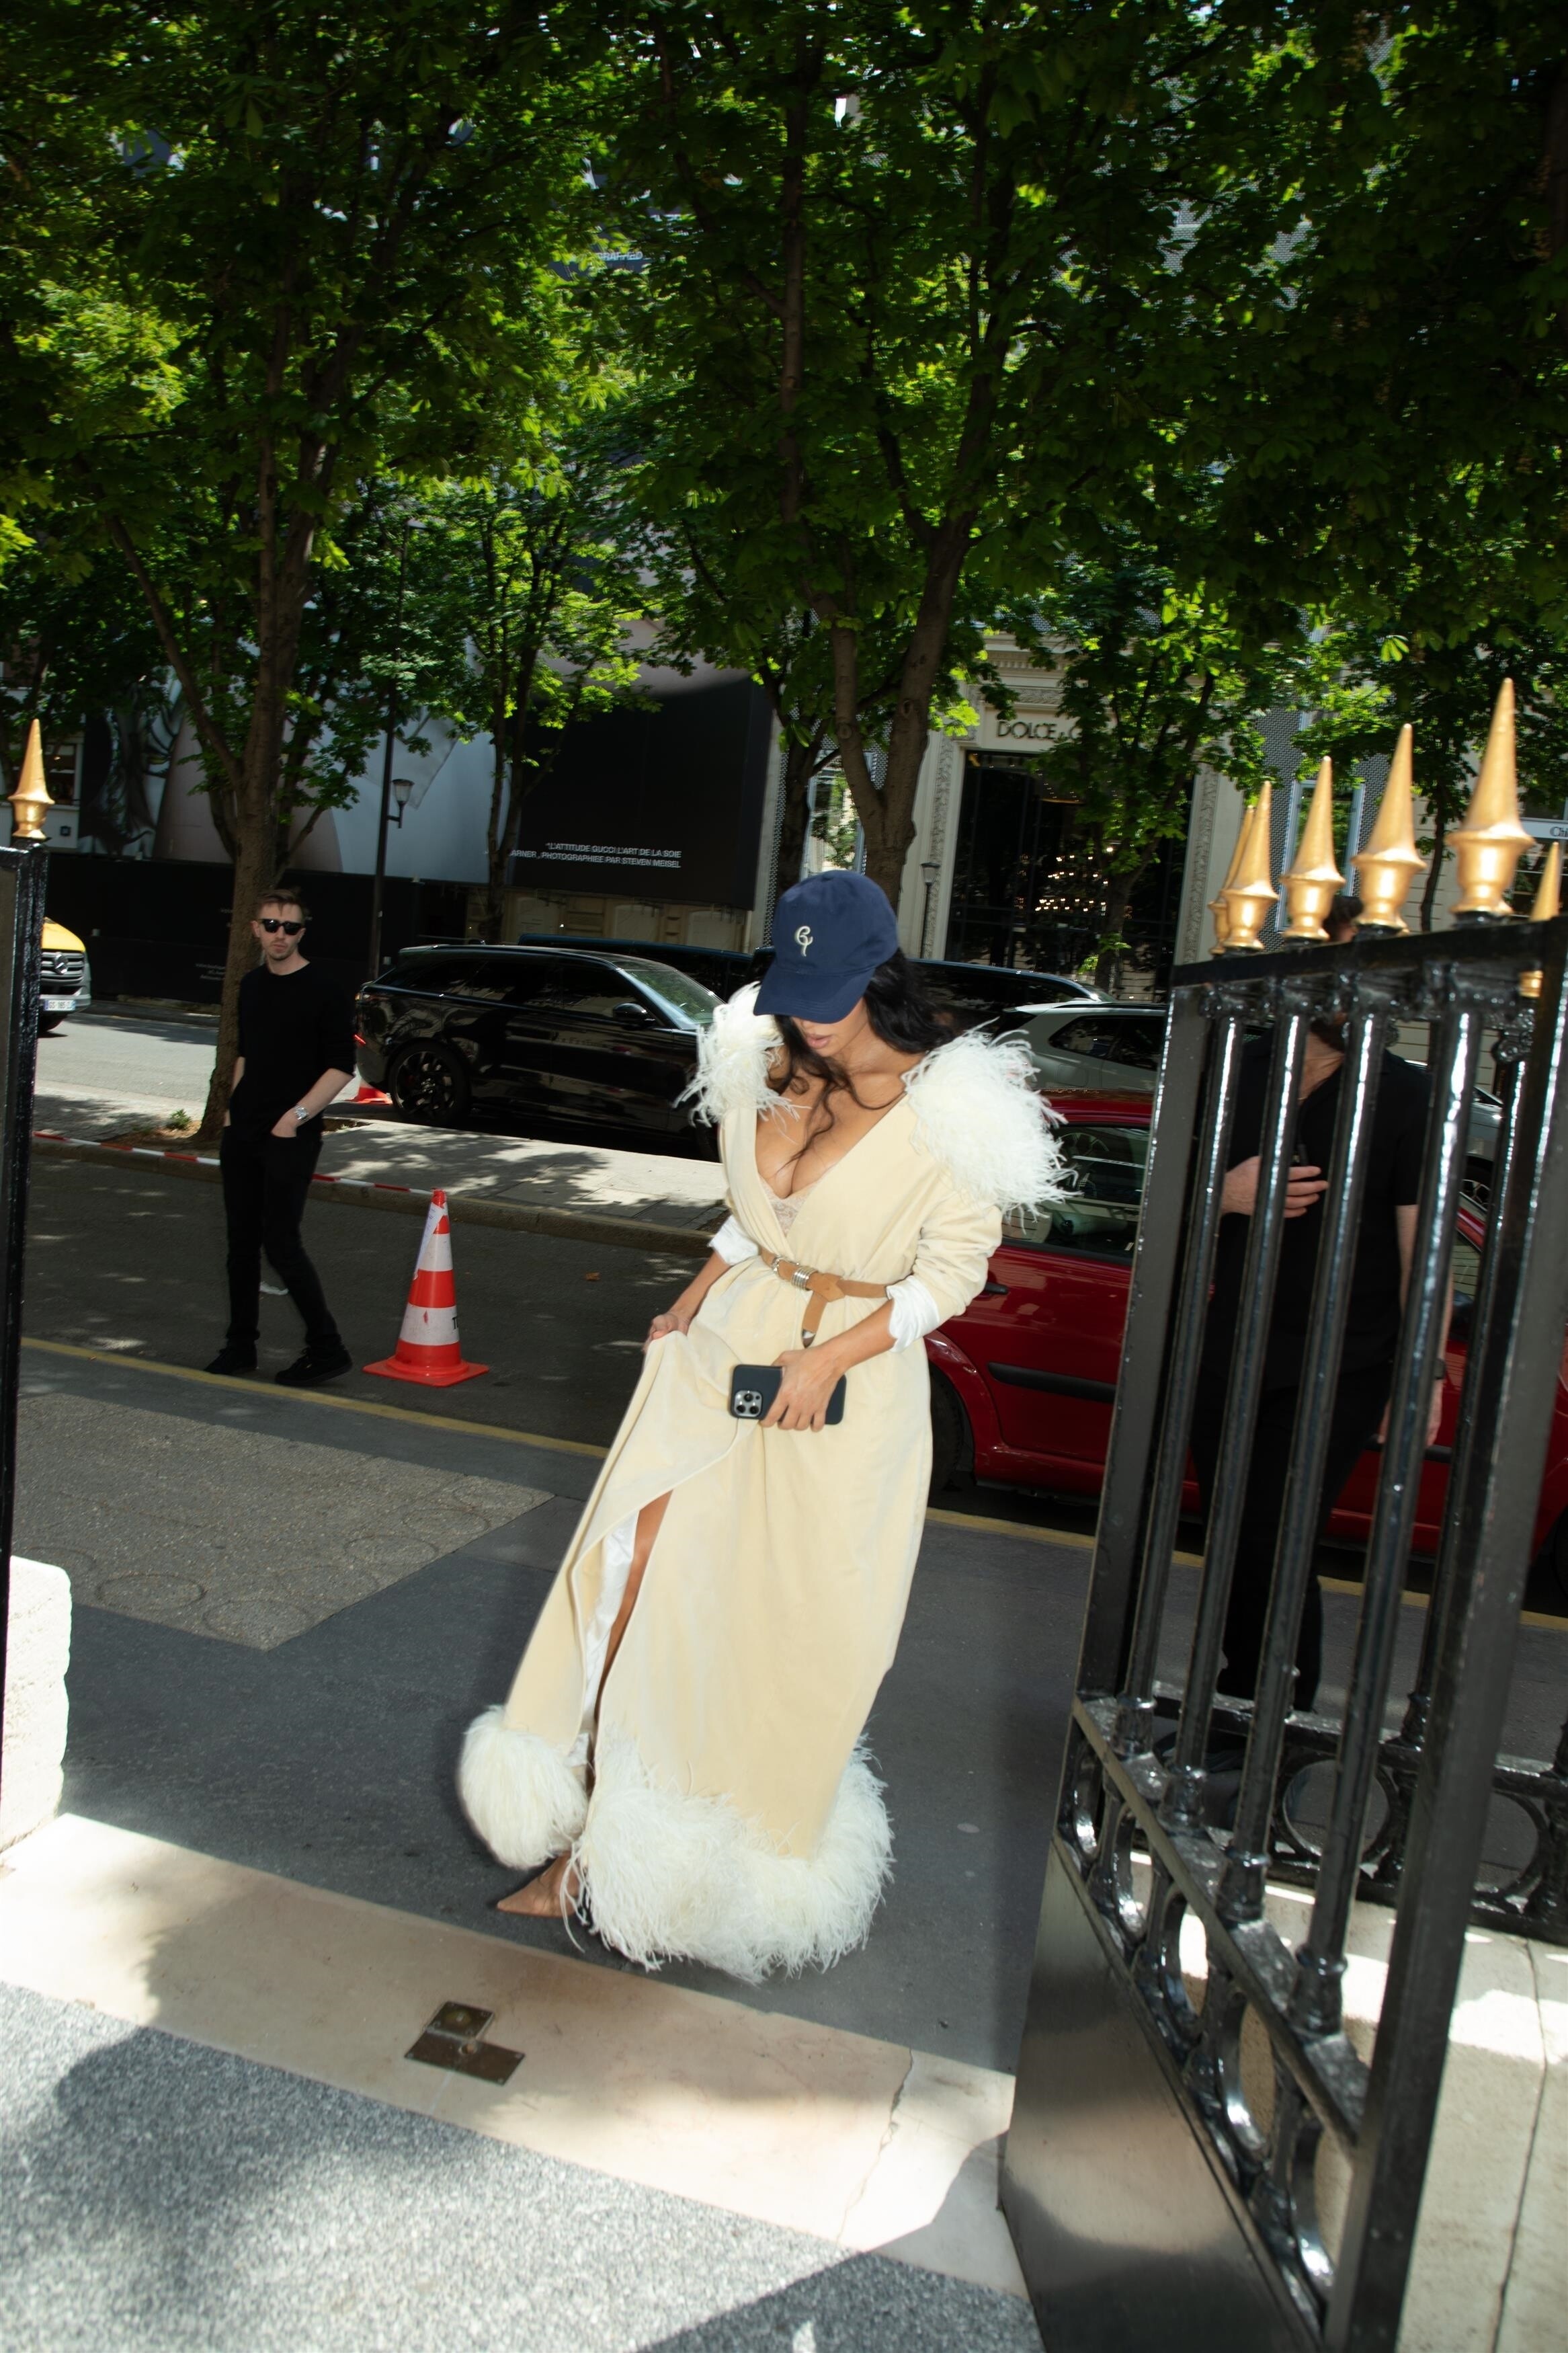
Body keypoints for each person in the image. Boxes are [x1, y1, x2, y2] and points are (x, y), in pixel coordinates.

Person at [458, 869, 1066, 1980]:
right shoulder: (759, 1057)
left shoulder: (953, 1109)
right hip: (720, 1355)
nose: (811, 1018)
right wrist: (691, 1297)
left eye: (832, 996)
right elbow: (756, 1222)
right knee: (628, 1574)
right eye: (795, 993)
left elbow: (954, 1276)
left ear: (882, 974)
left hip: (839, 1399)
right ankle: (596, 1833)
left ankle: (692, 1861)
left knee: (766, 1634)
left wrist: (826, 1354)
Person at [1190, 897, 1444, 1713]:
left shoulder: (1406, 1096)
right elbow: (1159, 1206)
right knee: (1231, 1530)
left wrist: (1422, 1374)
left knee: (1273, 1533)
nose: (1367, 992)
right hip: (1228, 1342)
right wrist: (1223, 1194)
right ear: (1304, 968)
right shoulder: (1234, 1068)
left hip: (1343, 1359)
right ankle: (1246, 1713)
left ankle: (1265, 1716)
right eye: (1351, 968)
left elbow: (1424, 1250)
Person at [206, 888, 356, 1386]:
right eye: (271, 925)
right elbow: (245, 1054)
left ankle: (327, 1348)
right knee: (241, 1245)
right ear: (255, 929)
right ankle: (239, 1346)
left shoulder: (325, 990)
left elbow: (342, 1067)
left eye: (290, 927)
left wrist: (294, 1119)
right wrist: (232, 1113)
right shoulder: (251, 985)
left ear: (301, 933)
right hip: (244, 1131)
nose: (280, 935)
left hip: (289, 1136)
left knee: (281, 1243)